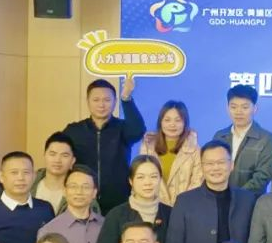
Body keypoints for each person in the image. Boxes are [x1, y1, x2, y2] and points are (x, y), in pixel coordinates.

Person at [166, 140, 257, 243]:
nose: (215, 168)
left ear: (231, 165)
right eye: (209, 163)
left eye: (221, 162)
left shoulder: (248, 200)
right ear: (202, 167)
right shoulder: (185, 201)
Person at [63, 77, 146, 214]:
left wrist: (126, 99)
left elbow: (138, 130)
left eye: (107, 100)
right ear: (88, 101)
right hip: (83, 201)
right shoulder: (74, 131)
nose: (101, 105)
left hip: (118, 202)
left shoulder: (122, 128)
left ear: (114, 102)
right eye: (96, 100)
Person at [94, 155, 172, 243]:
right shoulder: (116, 215)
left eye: (153, 177)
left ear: (160, 179)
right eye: (141, 177)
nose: (148, 182)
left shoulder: (171, 214)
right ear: (131, 181)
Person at [37, 165, 103, 243]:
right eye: (73, 186)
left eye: (85, 187)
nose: (79, 192)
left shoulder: (105, 226)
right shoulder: (49, 231)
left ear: (94, 193)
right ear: (64, 191)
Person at [211, 84, 272, 194]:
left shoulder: (266, 139)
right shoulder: (219, 136)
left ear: (255, 109)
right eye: (233, 107)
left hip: (252, 201)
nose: (238, 112)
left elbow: (263, 176)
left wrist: (237, 197)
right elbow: (212, 168)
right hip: (219, 198)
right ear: (227, 108)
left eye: (245, 107)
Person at [139, 99, 203, 206]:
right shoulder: (148, 147)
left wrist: (182, 206)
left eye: (178, 120)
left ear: (185, 123)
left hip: (184, 208)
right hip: (153, 208)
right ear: (160, 122)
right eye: (167, 120)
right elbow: (140, 179)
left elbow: (197, 182)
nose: (172, 124)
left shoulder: (195, 150)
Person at [30, 131, 76, 213]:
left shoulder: (80, 190)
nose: (57, 160)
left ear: (73, 160)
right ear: (44, 155)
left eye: (64, 155)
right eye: (52, 154)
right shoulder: (29, 183)